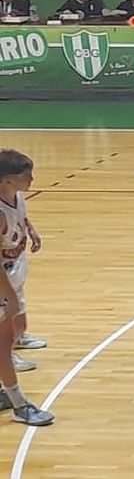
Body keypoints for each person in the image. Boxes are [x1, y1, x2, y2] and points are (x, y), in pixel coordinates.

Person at [0, 150, 52, 426]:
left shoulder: (16, 197)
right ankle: (20, 405)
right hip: (2, 280)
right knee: (4, 344)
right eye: (26, 176)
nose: (32, 179)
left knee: (11, 337)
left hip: (12, 270)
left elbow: (21, 216)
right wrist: (7, 294)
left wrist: (30, 229)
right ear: (8, 180)